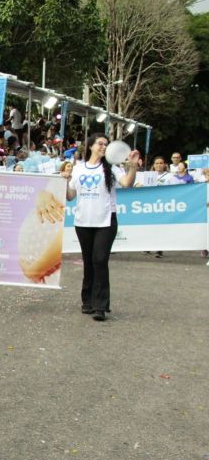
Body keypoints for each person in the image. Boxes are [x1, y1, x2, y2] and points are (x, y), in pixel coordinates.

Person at [62, 134, 138, 321]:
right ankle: (87, 301)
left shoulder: (111, 168)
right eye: (100, 144)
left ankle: (100, 306)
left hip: (106, 221)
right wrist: (64, 181)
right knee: (89, 262)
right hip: (83, 222)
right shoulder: (79, 168)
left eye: (106, 144)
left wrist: (133, 166)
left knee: (100, 260)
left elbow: (127, 183)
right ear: (90, 146)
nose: (104, 147)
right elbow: (70, 196)